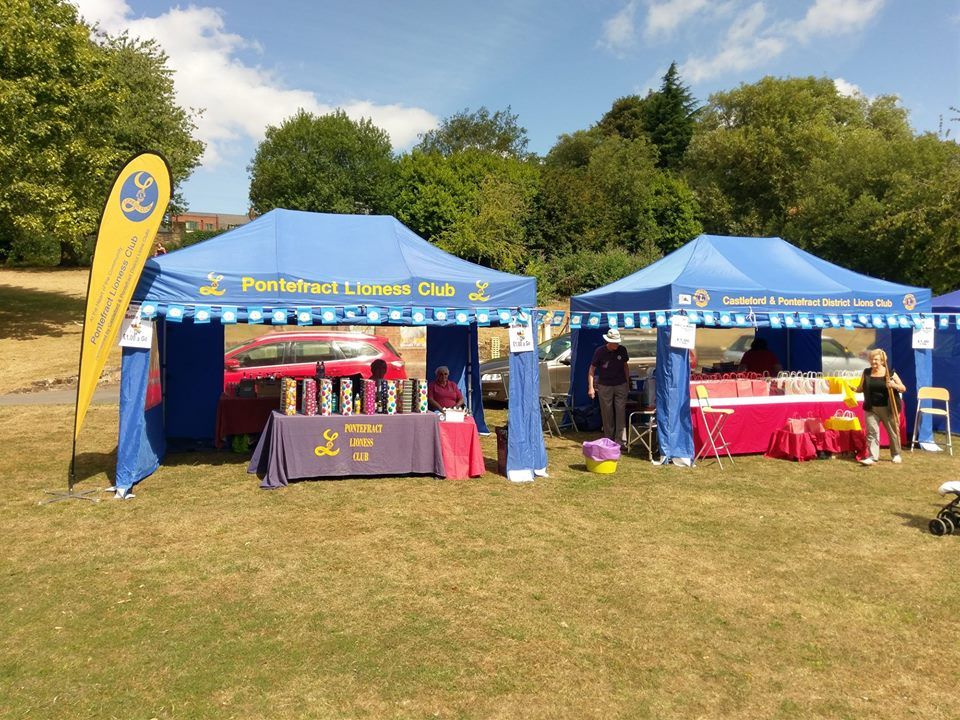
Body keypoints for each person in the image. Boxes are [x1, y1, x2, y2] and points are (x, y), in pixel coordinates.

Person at [855, 348, 905, 466]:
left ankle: (896, 454)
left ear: (882, 361)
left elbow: (903, 387)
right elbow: (860, 388)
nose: (873, 362)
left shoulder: (890, 373)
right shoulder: (866, 372)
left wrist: (893, 384)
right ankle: (872, 457)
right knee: (872, 432)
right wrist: (853, 389)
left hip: (888, 407)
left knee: (892, 432)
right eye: (871, 359)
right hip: (871, 407)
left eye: (876, 359)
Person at [587, 328, 630, 445]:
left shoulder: (622, 350)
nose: (617, 344)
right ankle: (609, 440)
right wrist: (591, 387)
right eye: (615, 342)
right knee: (607, 413)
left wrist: (627, 382)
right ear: (608, 342)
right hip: (604, 386)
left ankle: (621, 440)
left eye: (618, 342)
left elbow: (626, 366)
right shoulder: (599, 351)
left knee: (620, 412)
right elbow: (592, 369)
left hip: (620, 384)